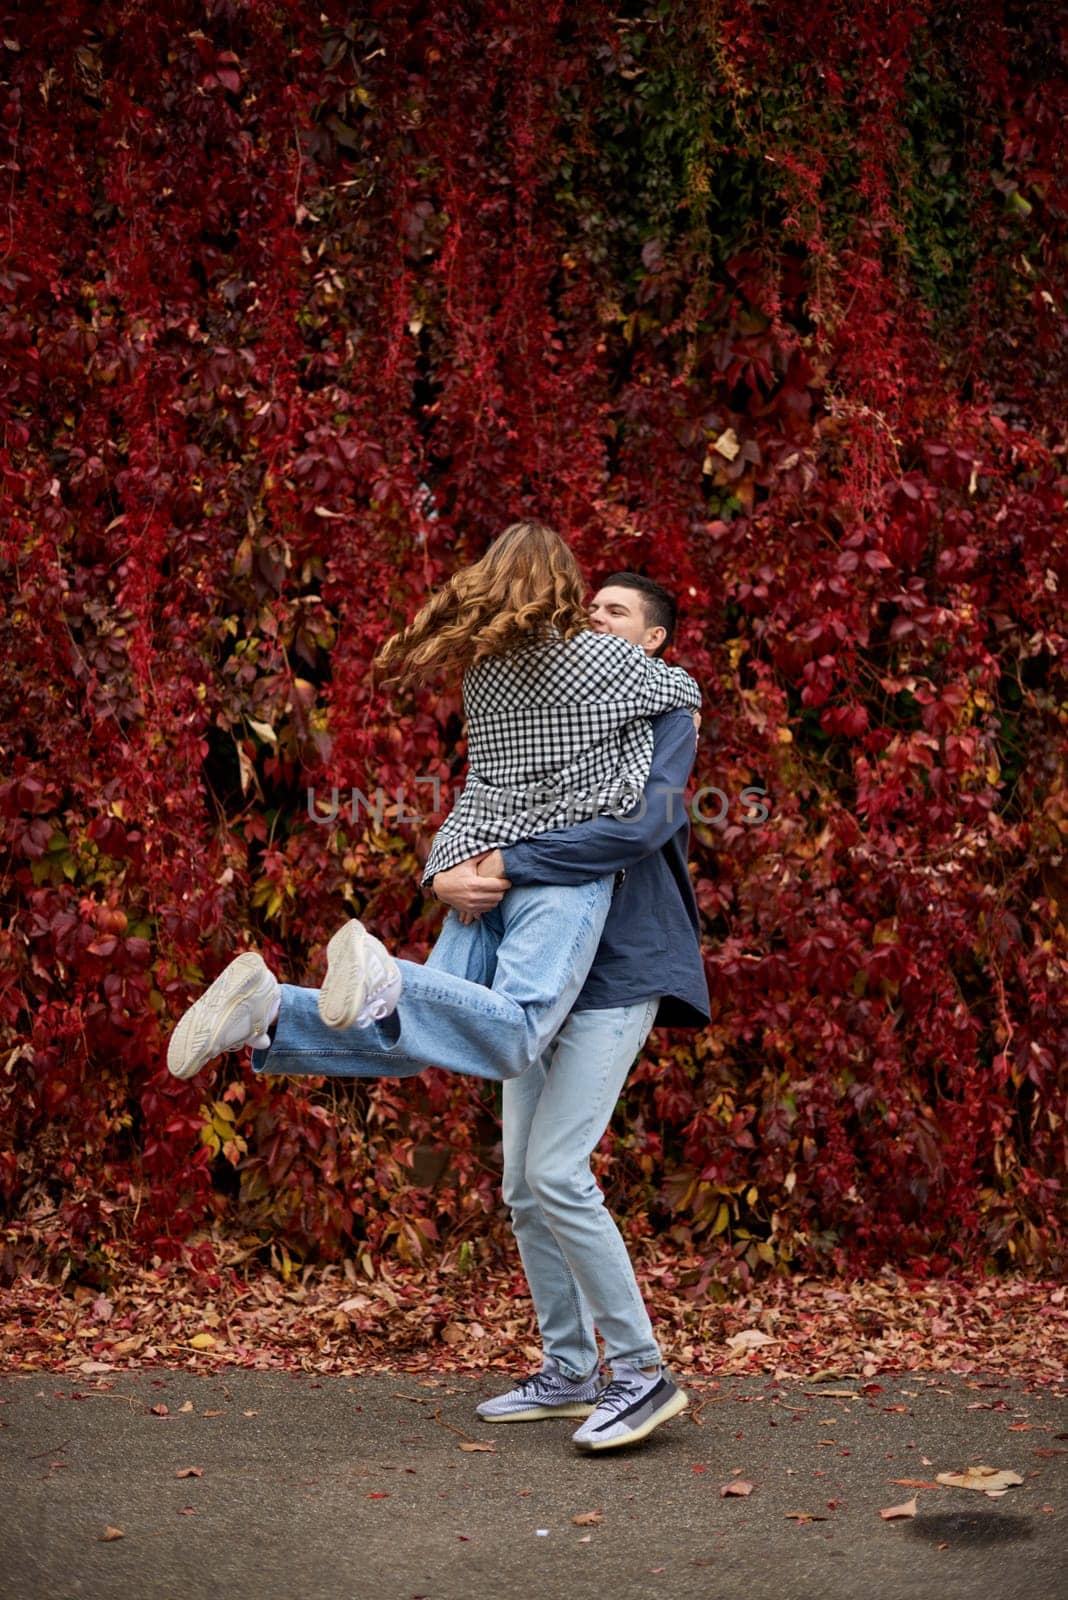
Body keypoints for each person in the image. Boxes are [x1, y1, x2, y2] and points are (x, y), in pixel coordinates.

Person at [168, 522, 699, 1096]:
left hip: (477, 873)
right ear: (564, 585)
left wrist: (445, 868)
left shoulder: (484, 669)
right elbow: (682, 692)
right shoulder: (604, 662)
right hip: (559, 872)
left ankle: (271, 1010)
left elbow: (480, 784)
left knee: (406, 1037)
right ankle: (387, 975)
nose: (595, 614)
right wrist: (686, 708)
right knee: (516, 1034)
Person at [432, 573, 708, 1450]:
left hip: (621, 971)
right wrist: (446, 872)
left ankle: (641, 1373)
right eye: (589, 607)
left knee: (557, 1170)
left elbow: (642, 829)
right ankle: (569, 1371)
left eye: (616, 611)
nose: (593, 617)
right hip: (533, 971)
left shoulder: (667, 716)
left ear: (656, 641)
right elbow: (482, 805)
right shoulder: (547, 712)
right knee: (521, 1186)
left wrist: (510, 862)